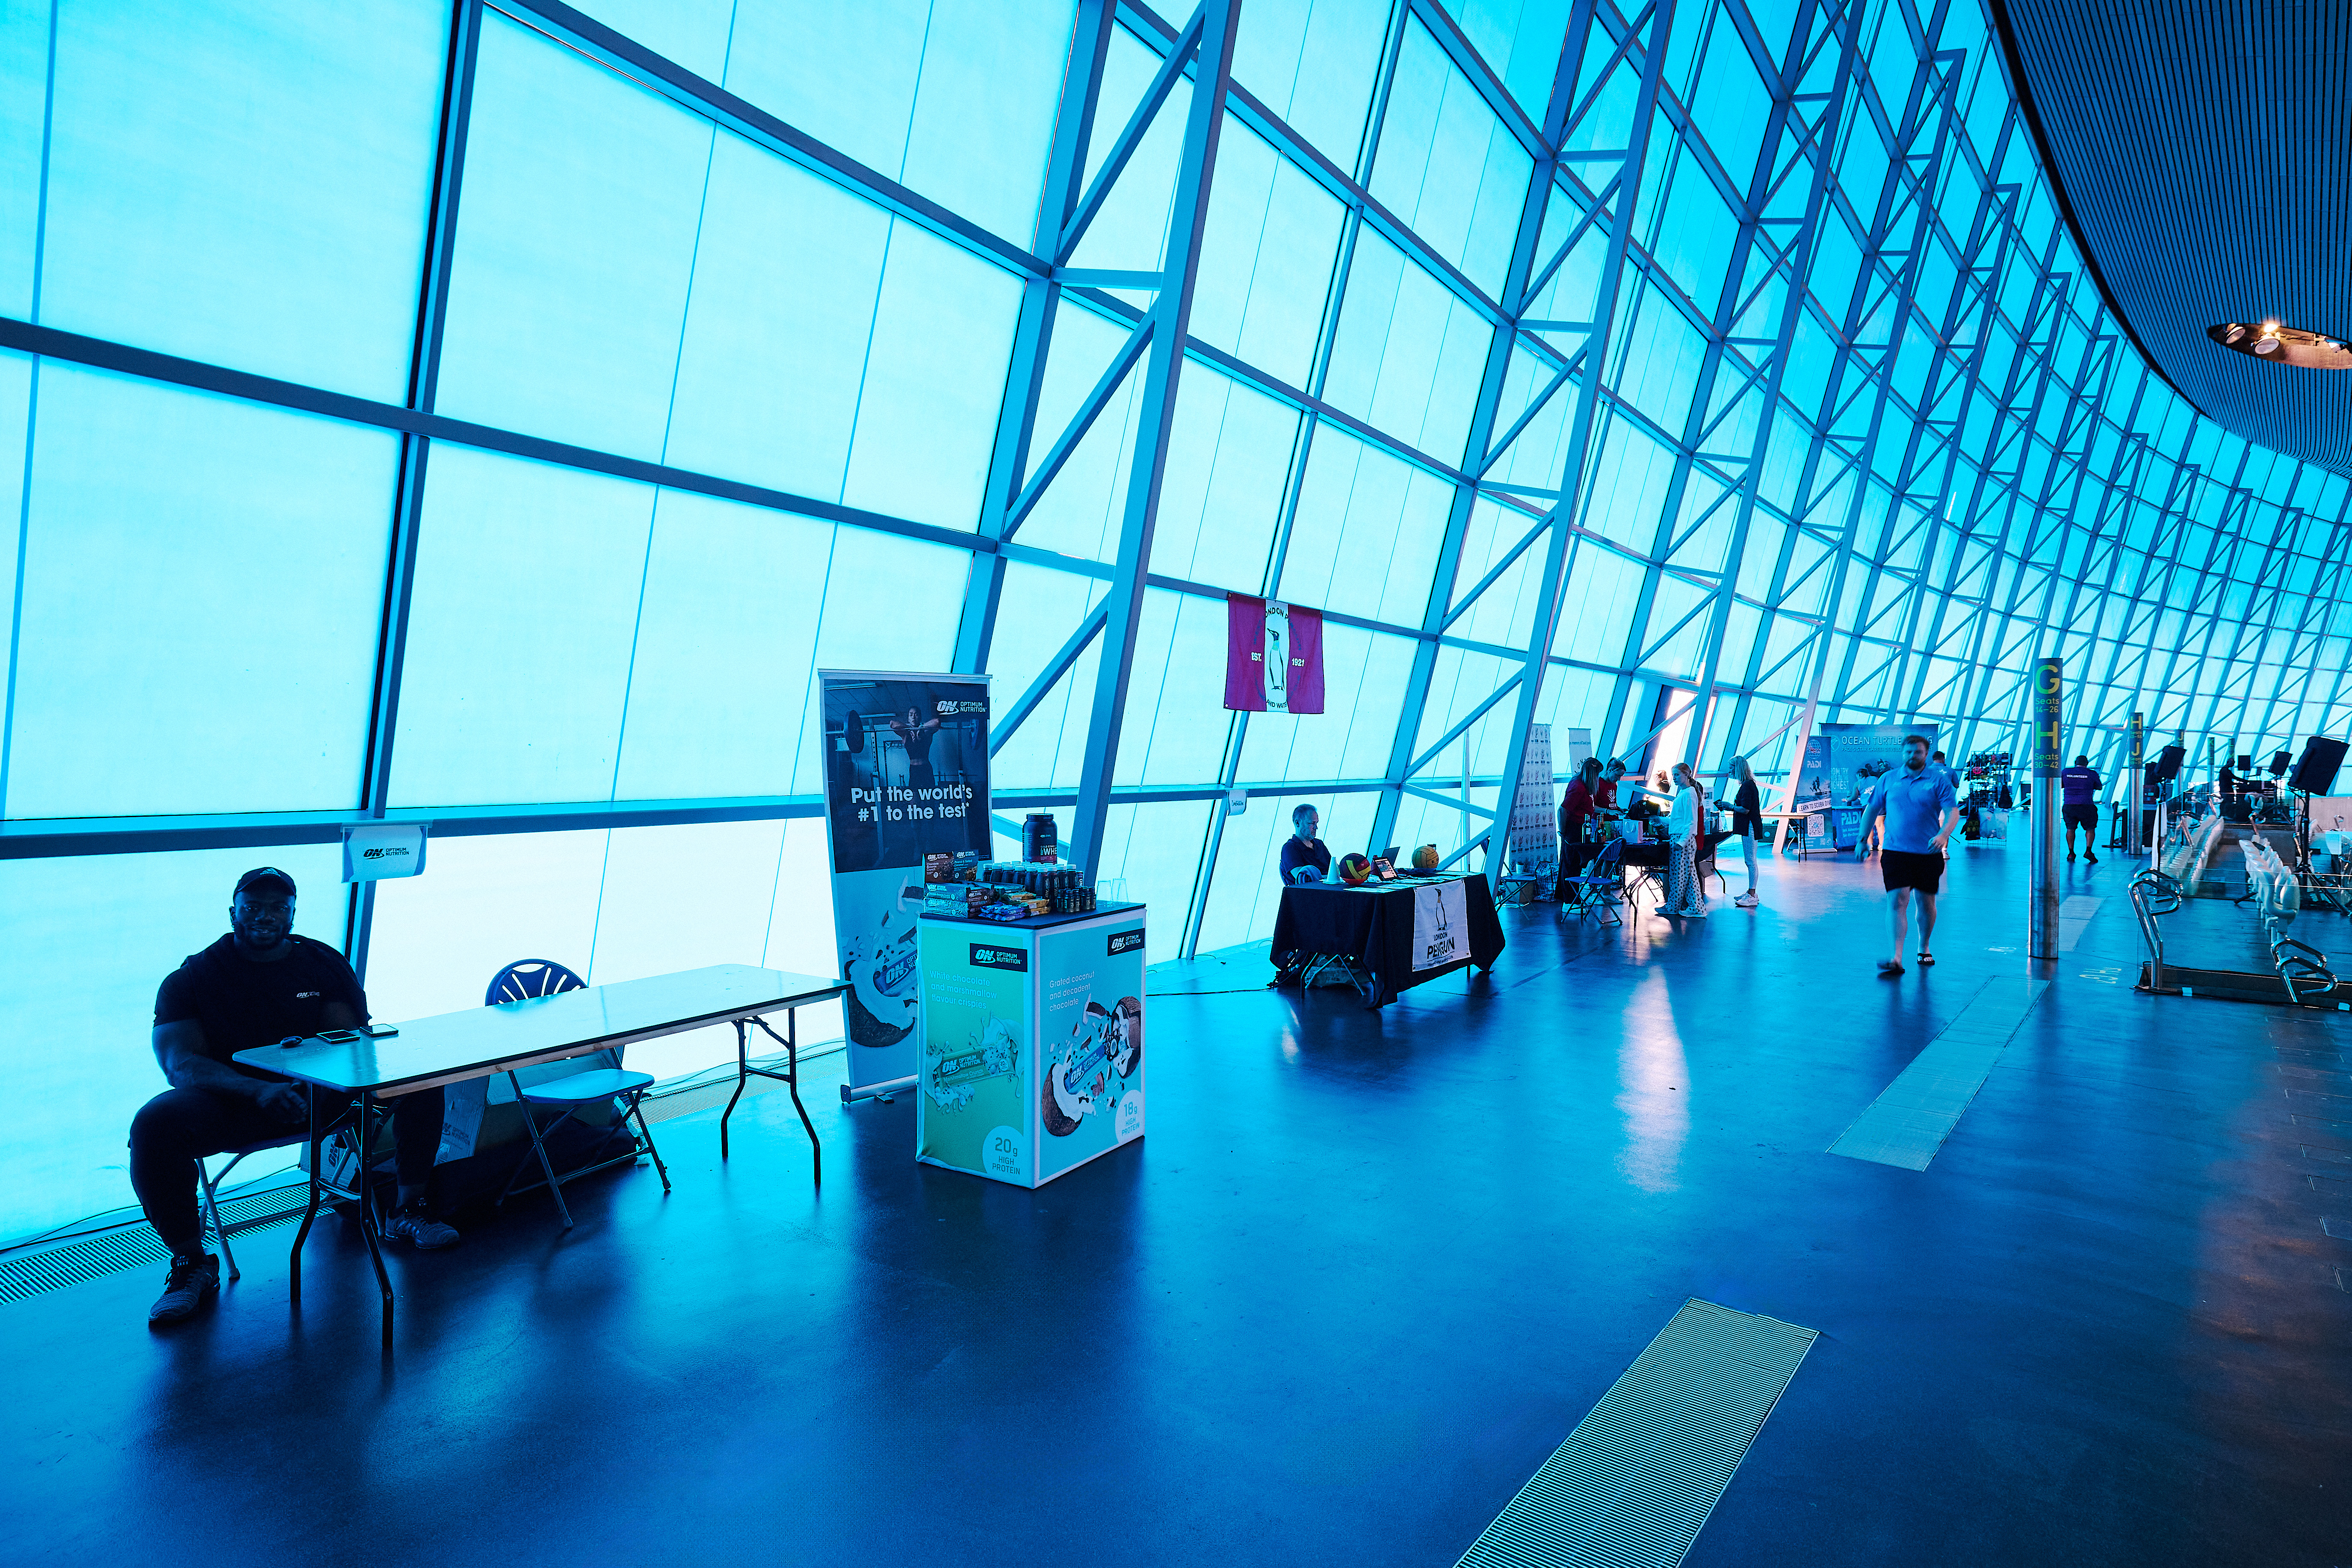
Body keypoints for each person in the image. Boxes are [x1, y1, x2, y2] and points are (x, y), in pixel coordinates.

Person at [132, 868, 458, 1328]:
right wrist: (259, 1089)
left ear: (292, 914)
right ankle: (192, 1263)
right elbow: (179, 1064)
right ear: (233, 912)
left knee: (419, 1079)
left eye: (277, 908)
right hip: (235, 1102)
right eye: (253, 907)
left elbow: (350, 1039)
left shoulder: (322, 964)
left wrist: (310, 1084)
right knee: (154, 1123)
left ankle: (406, 1211)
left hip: (316, 1097)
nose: (264, 917)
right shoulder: (193, 977)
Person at [1860, 736, 1960, 975]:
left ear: (1926, 754)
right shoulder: (1889, 779)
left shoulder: (1939, 780)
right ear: (1902, 753)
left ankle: (1924, 947)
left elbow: (1953, 812)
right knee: (1897, 901)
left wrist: (1943, 835)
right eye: (1908, 752)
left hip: (1928, 853)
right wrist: (1862, 840)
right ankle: (1896, 958)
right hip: (1896, 853)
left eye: (1918, 752)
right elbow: (1872, 808)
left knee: (1926, 904)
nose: (1912, 756)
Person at [1663, 762, 1709, 918]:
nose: (1674, 778)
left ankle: (1674, 906)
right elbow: (1683, 820)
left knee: (1678, 875)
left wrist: (1681, 842)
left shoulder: (1689, 794)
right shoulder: (1686, 793)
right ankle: (1696, 907)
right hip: (1681, 837)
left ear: (1686, 775)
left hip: (1682, 839)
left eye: (1677, 775)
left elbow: (1691, 822)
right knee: (1688, 875)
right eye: (1673, 775)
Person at [1725, 756, 1762, 908]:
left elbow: (1745, 809)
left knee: (1750, 861)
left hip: (1750, 827)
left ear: (1738, 768)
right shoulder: (1748, 785)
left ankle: (1752, 895)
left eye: (1732, 768)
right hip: (1750, 826)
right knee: (1751, 860)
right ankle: (1751, 891)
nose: (1730, 771)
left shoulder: (1747, 786)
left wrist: (1729, 806)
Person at [1558, 757, 1604, 878]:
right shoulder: (1579, 787)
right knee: (1571, 867)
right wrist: (1563, 832)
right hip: (1575, 829)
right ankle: (1569, 896)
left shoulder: (1583, 786)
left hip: (1581, 829)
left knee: (1575, 866)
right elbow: (1562, 810)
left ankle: (1571, 896)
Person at [2059, 753, 2101, 863]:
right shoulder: (2092, 773)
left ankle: (2071, 853)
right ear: (2087, 764)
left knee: (2070, 828)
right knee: (2090, 828)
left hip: (2069, 805)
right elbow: (2099, 787)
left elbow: (2060, 785)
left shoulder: (2066, 772)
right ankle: (2088, 851)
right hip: (2087, 805)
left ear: (2075, 763)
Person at [890, 706, 941, 793]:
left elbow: (937, 722)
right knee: (914, 801)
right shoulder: (905, 734)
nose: (913, 717)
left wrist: (922, 727)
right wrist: (910, 729)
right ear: (909, 719)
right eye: (911, 715)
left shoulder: (926, 731)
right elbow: (892, 724)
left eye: (916, 715)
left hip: (926, 769)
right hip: (914, 771)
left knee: (929, 801)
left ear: (920, 717)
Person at [1280, 804, 1331, 886]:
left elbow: (1334, 870)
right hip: (1309, 895)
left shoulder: (1320, 844)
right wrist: (1330, 878)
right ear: (1298, 823)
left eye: (1317, 823)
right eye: (1311, 823)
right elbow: (1303, 878)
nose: (1316, 828)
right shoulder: (1290, 849)